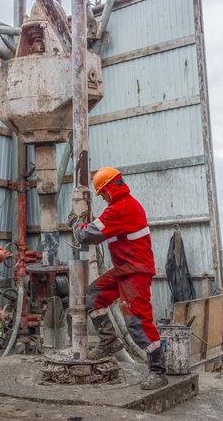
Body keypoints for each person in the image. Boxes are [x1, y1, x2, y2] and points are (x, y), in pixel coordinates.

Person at [68, 167, 168, 390]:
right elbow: (99, 228)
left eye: (102, 194)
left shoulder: (122, 208)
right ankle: (109, 342)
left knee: (137, 322)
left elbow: (89, 235)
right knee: (93, 296)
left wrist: (76, 225)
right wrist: (87, 225)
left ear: (110, 189)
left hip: (136, 272)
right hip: (124, 269)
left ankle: (158, 371)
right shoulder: (119, 207)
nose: (102, 198)